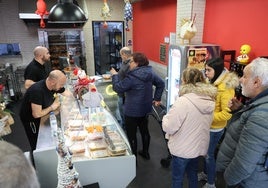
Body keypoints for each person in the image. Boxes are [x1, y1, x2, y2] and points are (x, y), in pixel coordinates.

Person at [216, 57, 268, 188]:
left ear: (256, 82)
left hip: (244, 183)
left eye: (245, 76)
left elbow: (244, 165)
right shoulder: (260, 105)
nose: (240, 79)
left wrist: (226, 179)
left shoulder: (261, 116)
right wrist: (240, 110)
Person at [162, 67, 217, 188]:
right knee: (192, 174)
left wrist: (165, 118)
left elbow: (169, 127)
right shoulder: (210, 100)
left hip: (182, 149)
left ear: (185, 81)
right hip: (198, 148)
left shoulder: (183, 101)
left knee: (177, 178)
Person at [110, 52, 164, 159]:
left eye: (131, 62)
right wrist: (157, 98)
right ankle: (146, 153)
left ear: (137, 63)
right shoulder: (150, 73)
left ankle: (133, 159)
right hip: (145, 109)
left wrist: (115, 76)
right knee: (144, 131)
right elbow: (161, 83)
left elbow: (117, 88)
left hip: (132, 111)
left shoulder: (132, 77)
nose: (129, 64)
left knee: (132, 134)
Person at [198, 57, 239, 188]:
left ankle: (211, 183)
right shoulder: (212, 81)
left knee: (209, 155)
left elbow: (227, 113)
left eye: (208, 70)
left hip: (215, 129)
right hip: (208, 125)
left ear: (217, 70)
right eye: (205, 70)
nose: (206, 73)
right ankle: (205, 173)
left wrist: (208, 116)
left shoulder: (226, 88)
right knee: (205, 152)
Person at [20, 70, 70, 152]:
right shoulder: (37, 90)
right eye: (61, 85)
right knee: (37, 144)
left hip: (43, 116)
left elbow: (67, 93)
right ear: (53, 82)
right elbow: (36, 114)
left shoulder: (53, 86)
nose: (61, 87)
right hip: (32, 121)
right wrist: (52, 107)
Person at [116, 46, 132, 130]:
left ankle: (125, 127)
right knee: (121, 108)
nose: (121, 57)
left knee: (123, 110)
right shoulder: (124, 62)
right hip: (121, 91)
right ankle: (124, 124)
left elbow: (128, 79)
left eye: (121, 55)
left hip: (124, 92)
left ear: (125, 54)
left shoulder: (130, 65)